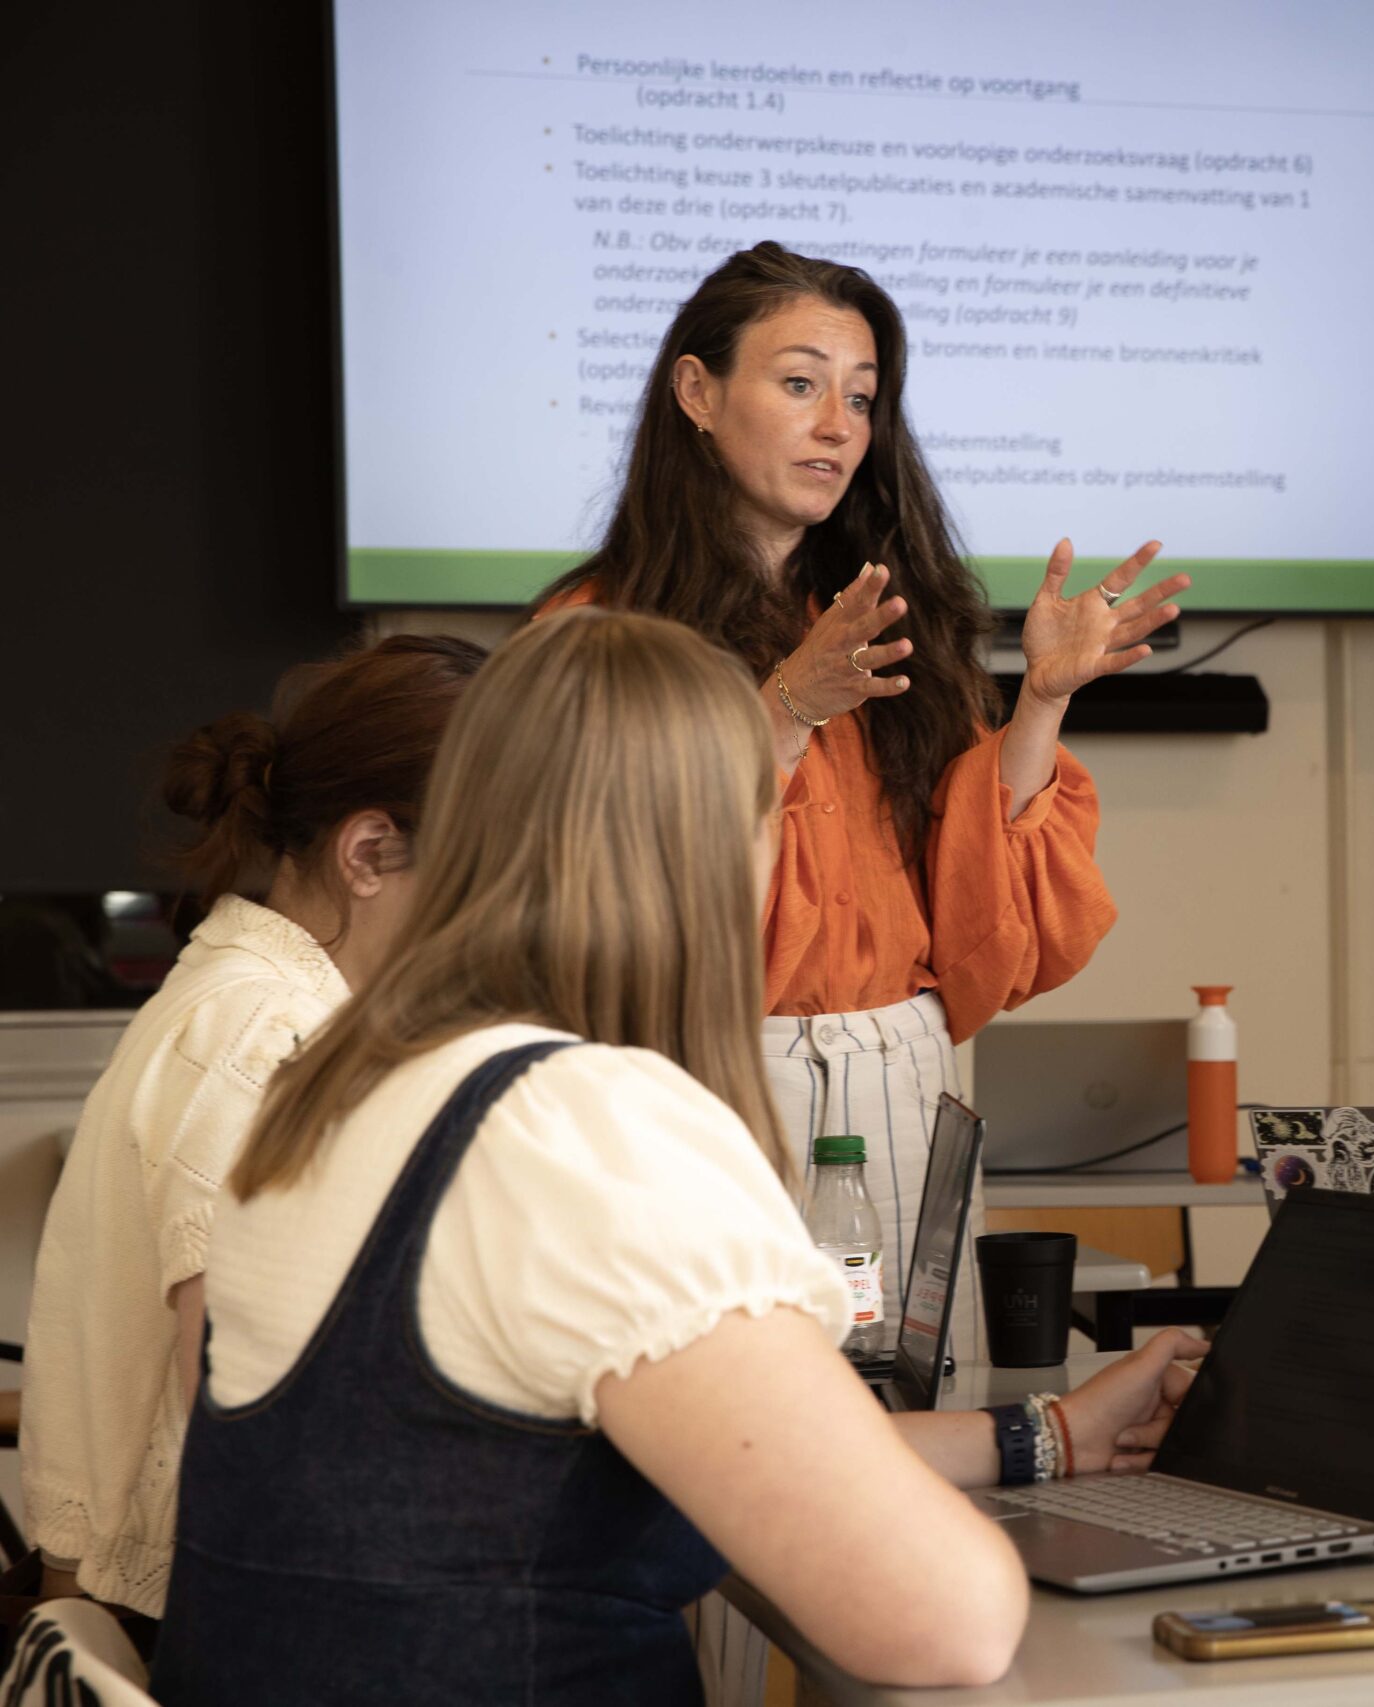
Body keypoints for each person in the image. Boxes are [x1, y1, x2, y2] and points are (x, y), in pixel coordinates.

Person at [152, 609, 1205, 1706]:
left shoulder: (334, 1091)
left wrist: (1054, 1436)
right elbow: (948, 1623)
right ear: (716, 851)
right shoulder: (585, 1131)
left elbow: (647, 1453)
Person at [539, 240, 1184, 1361]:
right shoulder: (595, 633)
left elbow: (975, 896)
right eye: (799, 384)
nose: (838, 425)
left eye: (862, 397)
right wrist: (782, 709)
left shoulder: (889, 614)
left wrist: (1037, 702)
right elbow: (604, 899)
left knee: (911, 1398)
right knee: (748, 1408)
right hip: (716, 1080)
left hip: (905, 1077)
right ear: (696, 392)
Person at [20, 634, 488, 1625]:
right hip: (186, 1612)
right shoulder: (261, 1036)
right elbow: (253, 1415)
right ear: (368, 853)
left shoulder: (266, 994)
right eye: (489, 866)